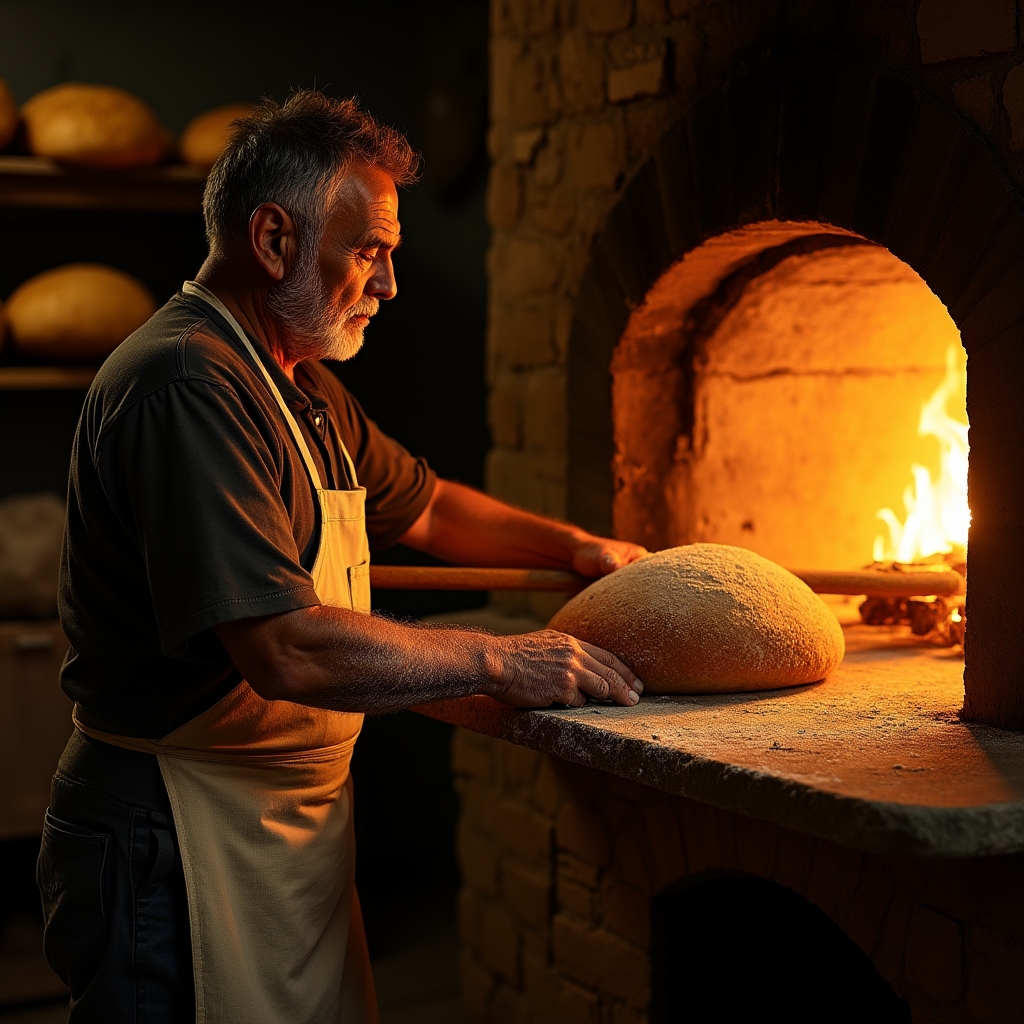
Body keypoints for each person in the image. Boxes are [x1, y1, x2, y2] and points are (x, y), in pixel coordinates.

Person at [38, 90, 646, 1024]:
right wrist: (501, 659)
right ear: (275, 239)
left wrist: (586, 550)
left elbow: (433, 509)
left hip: (283, 824)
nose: (390, 285)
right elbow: (284, 648)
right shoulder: (188, 384)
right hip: (171, 830)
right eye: (370, 253)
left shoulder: (294, 380)